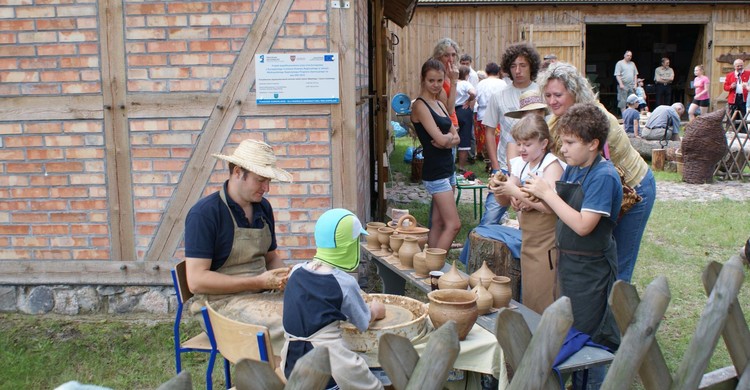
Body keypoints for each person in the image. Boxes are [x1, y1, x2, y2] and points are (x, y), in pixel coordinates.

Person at [523, 103, 622, 390]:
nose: (562, 149)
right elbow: (557, 209)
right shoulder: (575, 169)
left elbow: (582, 225)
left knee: (589, 340)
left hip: (592, 271)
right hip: (570, 265)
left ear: (593, 144)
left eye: (569, 143)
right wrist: (528, 196)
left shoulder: (603, 176)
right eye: (561, 142)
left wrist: (547, 194)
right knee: (570, 331)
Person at [538, 61, 656, 284]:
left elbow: (592, 174)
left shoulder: (598, 122)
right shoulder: (557, 121)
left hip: (635, 190)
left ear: (574, 92)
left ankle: (617, 314)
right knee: (600, 260)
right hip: (603, 191)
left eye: (558, 95)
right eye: (548, 95)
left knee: (618, 264)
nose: (552, 101)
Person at [184, 139, 293, 350]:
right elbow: (196, 281)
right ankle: (282, 378)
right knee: (294, 325)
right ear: (236, 172)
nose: (267, 188)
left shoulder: (263, 208)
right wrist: (258, 282)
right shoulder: (205, 214)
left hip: (261, 295)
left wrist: (288, 278)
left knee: (314, 310)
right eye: (260, 180)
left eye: (268, 181)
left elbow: (270, 258)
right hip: (220, 305)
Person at [281, 208, 385, 390]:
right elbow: (363, 322)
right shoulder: (344, 283)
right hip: (327, 368)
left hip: (292, 363)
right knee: (373, 386)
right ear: (349, 246)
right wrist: (375, 310)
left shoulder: (296, 272)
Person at [489, 114, 564, 314]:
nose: (521, 148)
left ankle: (548, 335)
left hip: (547, 241)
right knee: (530, 292)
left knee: (544, 292)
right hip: (528, 237)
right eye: (519, 143)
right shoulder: (521, 164)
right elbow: (506, 198)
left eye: (527, 144)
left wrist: (515, 192)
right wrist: (500, 188)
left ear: (544, 143)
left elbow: (551, 205)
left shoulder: (551, 165)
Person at [481, 42, 542, 225]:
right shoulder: (499, 96)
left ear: (531, 66)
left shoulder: (542, 93)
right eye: (514, 66)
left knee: (533, 221)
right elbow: (489, 132)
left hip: (535, 168)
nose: (518, 70)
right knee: (490, 218)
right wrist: (496, 167)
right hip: (505, 166)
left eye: (523, 65)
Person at [411, 58, 462, 251]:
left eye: (440, 81)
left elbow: (455, 135)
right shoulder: (420, 105)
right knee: (454, 224)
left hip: (448, 168)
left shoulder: (439, 103)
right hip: (436, 172)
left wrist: (447, 139)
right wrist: (448, 139)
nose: (435, 85)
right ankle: (434, 268)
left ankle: (429, 269)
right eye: (431, 80)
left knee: (439, 223)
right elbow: (441, 140)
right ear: (423, 79)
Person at [475, 62, 507, 162]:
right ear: (498, 72)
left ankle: (488, 161)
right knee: (497, 139)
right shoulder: (502, 83)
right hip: (499, 115)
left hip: (483, 115)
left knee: (484, 139)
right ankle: (496, 160)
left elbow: (475, 99)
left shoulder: (481, 84)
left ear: (487, 72)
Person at [432, 38, 461, 127]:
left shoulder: (449, 74)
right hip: (443, 125)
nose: (451, 59)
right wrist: (454, 82)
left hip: (452, 123)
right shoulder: (436, 76)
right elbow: (449, 110)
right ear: (438, 57)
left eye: (453, 55)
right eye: (446, 55)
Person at [456, 65, 477, 172]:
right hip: (464, 110)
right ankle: (461, 166)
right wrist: (469, 100)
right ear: (467, 75)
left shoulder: (452, 83)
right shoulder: (465, 83)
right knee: (464, 138)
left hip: (452, 111)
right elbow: (473, 93)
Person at [614, 50, 638, 116]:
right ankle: (624, 117)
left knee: (632, 101)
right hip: (623, 85)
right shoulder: (619, 63)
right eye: (628, 55)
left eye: (630, 56)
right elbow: (617, 75)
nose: (629, 57)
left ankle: (631, 117)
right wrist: (621, 84)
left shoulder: (632, 63)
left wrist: (635, 84)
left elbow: (635, 74)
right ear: (624, 55)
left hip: (631, 85)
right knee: (623, 102)